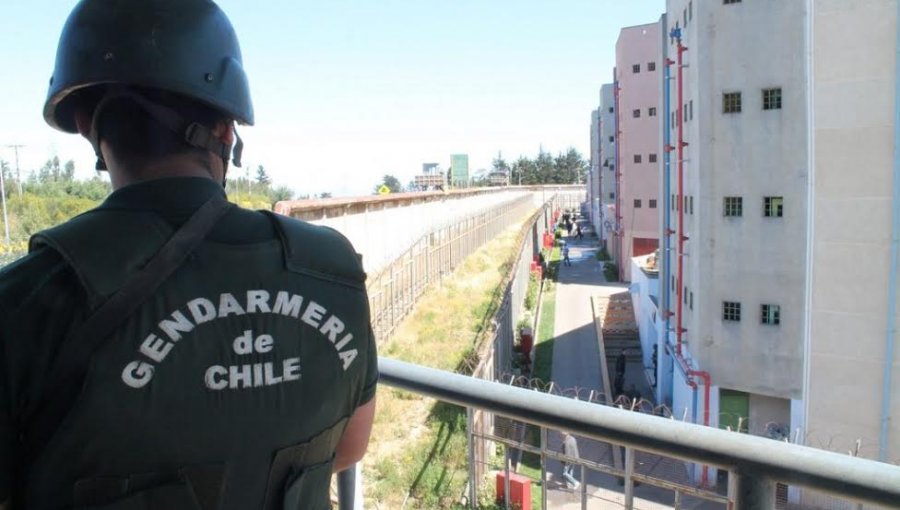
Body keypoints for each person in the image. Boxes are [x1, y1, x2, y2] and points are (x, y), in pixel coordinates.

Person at [0, 1, 377, 508]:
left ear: (88, 124)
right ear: (226, 131)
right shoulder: (332, 270)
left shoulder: (26, 298)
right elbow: (350, 447)